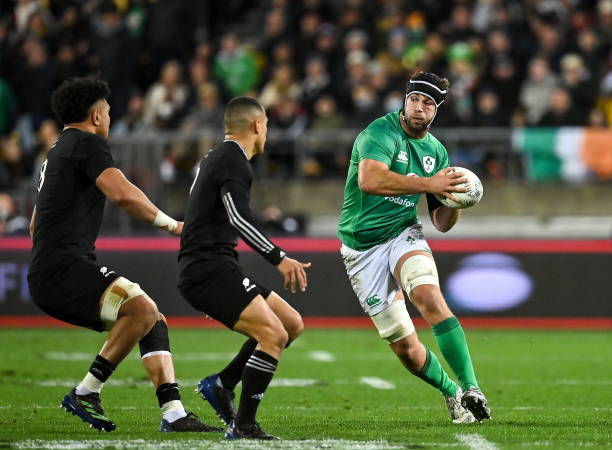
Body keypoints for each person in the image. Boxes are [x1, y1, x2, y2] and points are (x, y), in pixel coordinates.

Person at [27, 76, 222, 433]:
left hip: (52, 269)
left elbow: (34, 225)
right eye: (109, 111)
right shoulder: (87, 144)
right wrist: (174, 226)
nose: (110, 118)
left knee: (152, 318)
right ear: (97, 115)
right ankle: (87, 391)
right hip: (63, 269)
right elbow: (123, 194)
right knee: (141, 310)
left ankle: (174, 412)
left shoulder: (57, 151)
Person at [337, 71, 491, 423]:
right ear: (404, 99)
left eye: (428, 104)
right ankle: (451, 393)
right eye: (415, 99)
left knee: (429, 297)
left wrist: (455, 199)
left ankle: (471, 387)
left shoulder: (436, 150)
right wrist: (429, 182)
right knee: (405, 347)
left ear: (437, 111)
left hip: (403, 234)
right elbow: (370, 179)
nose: (419, 108)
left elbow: (441, 223)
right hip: (360, 248)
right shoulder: (379, 132)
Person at [178, 96, 310, 440]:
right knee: (274, 335)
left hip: (216, 266)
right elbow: (238, 218)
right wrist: (279, 258)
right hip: (208, 270)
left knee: (291, 324)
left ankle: (222, 385)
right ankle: (245, 425)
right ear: (257, 125)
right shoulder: (234, 160)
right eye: (266, 125)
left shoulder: (218, 156)